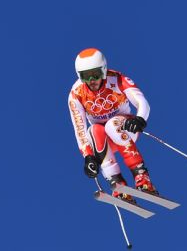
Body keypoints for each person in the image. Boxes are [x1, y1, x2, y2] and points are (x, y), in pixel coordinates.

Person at [67, 47, 159, 203]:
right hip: (104, 141)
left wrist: (139, 119)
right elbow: (80, 129)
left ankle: (141, 177)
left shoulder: (116, 79)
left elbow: (142, 101)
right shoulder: (76, 94)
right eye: (85, 77)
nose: (92, 81)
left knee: (111, 124)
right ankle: (117, 183)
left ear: (103, 70)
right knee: (94, 130)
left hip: (126, 129)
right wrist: (88, 157)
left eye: (95, 74)